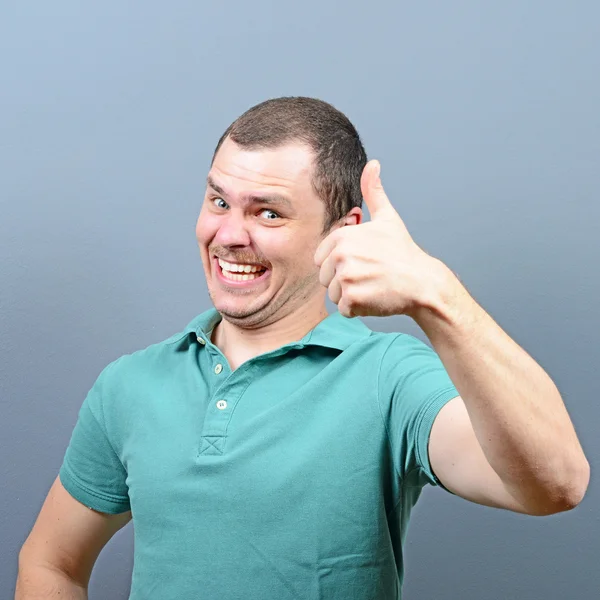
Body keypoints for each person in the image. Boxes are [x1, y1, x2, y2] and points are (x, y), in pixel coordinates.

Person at [16, 96, 590, 600]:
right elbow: (50, 562)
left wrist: (435, 295)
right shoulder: (129, 385)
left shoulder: (391, 380)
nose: (231, 235)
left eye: (268, 212)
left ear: (344, 231)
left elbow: (557, 483)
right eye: (219, 201)